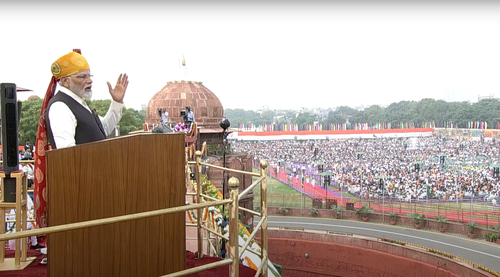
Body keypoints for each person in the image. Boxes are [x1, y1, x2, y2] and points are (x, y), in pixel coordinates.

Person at [34, 49, 129, 229]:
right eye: (82, 77)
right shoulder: (60, 106)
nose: (89, 80)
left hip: (97, 184)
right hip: (82, 191)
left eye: (89, 76)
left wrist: (117, 102)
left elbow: (104, 129)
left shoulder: (79, 103)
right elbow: (68, 154)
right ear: (65, 81)